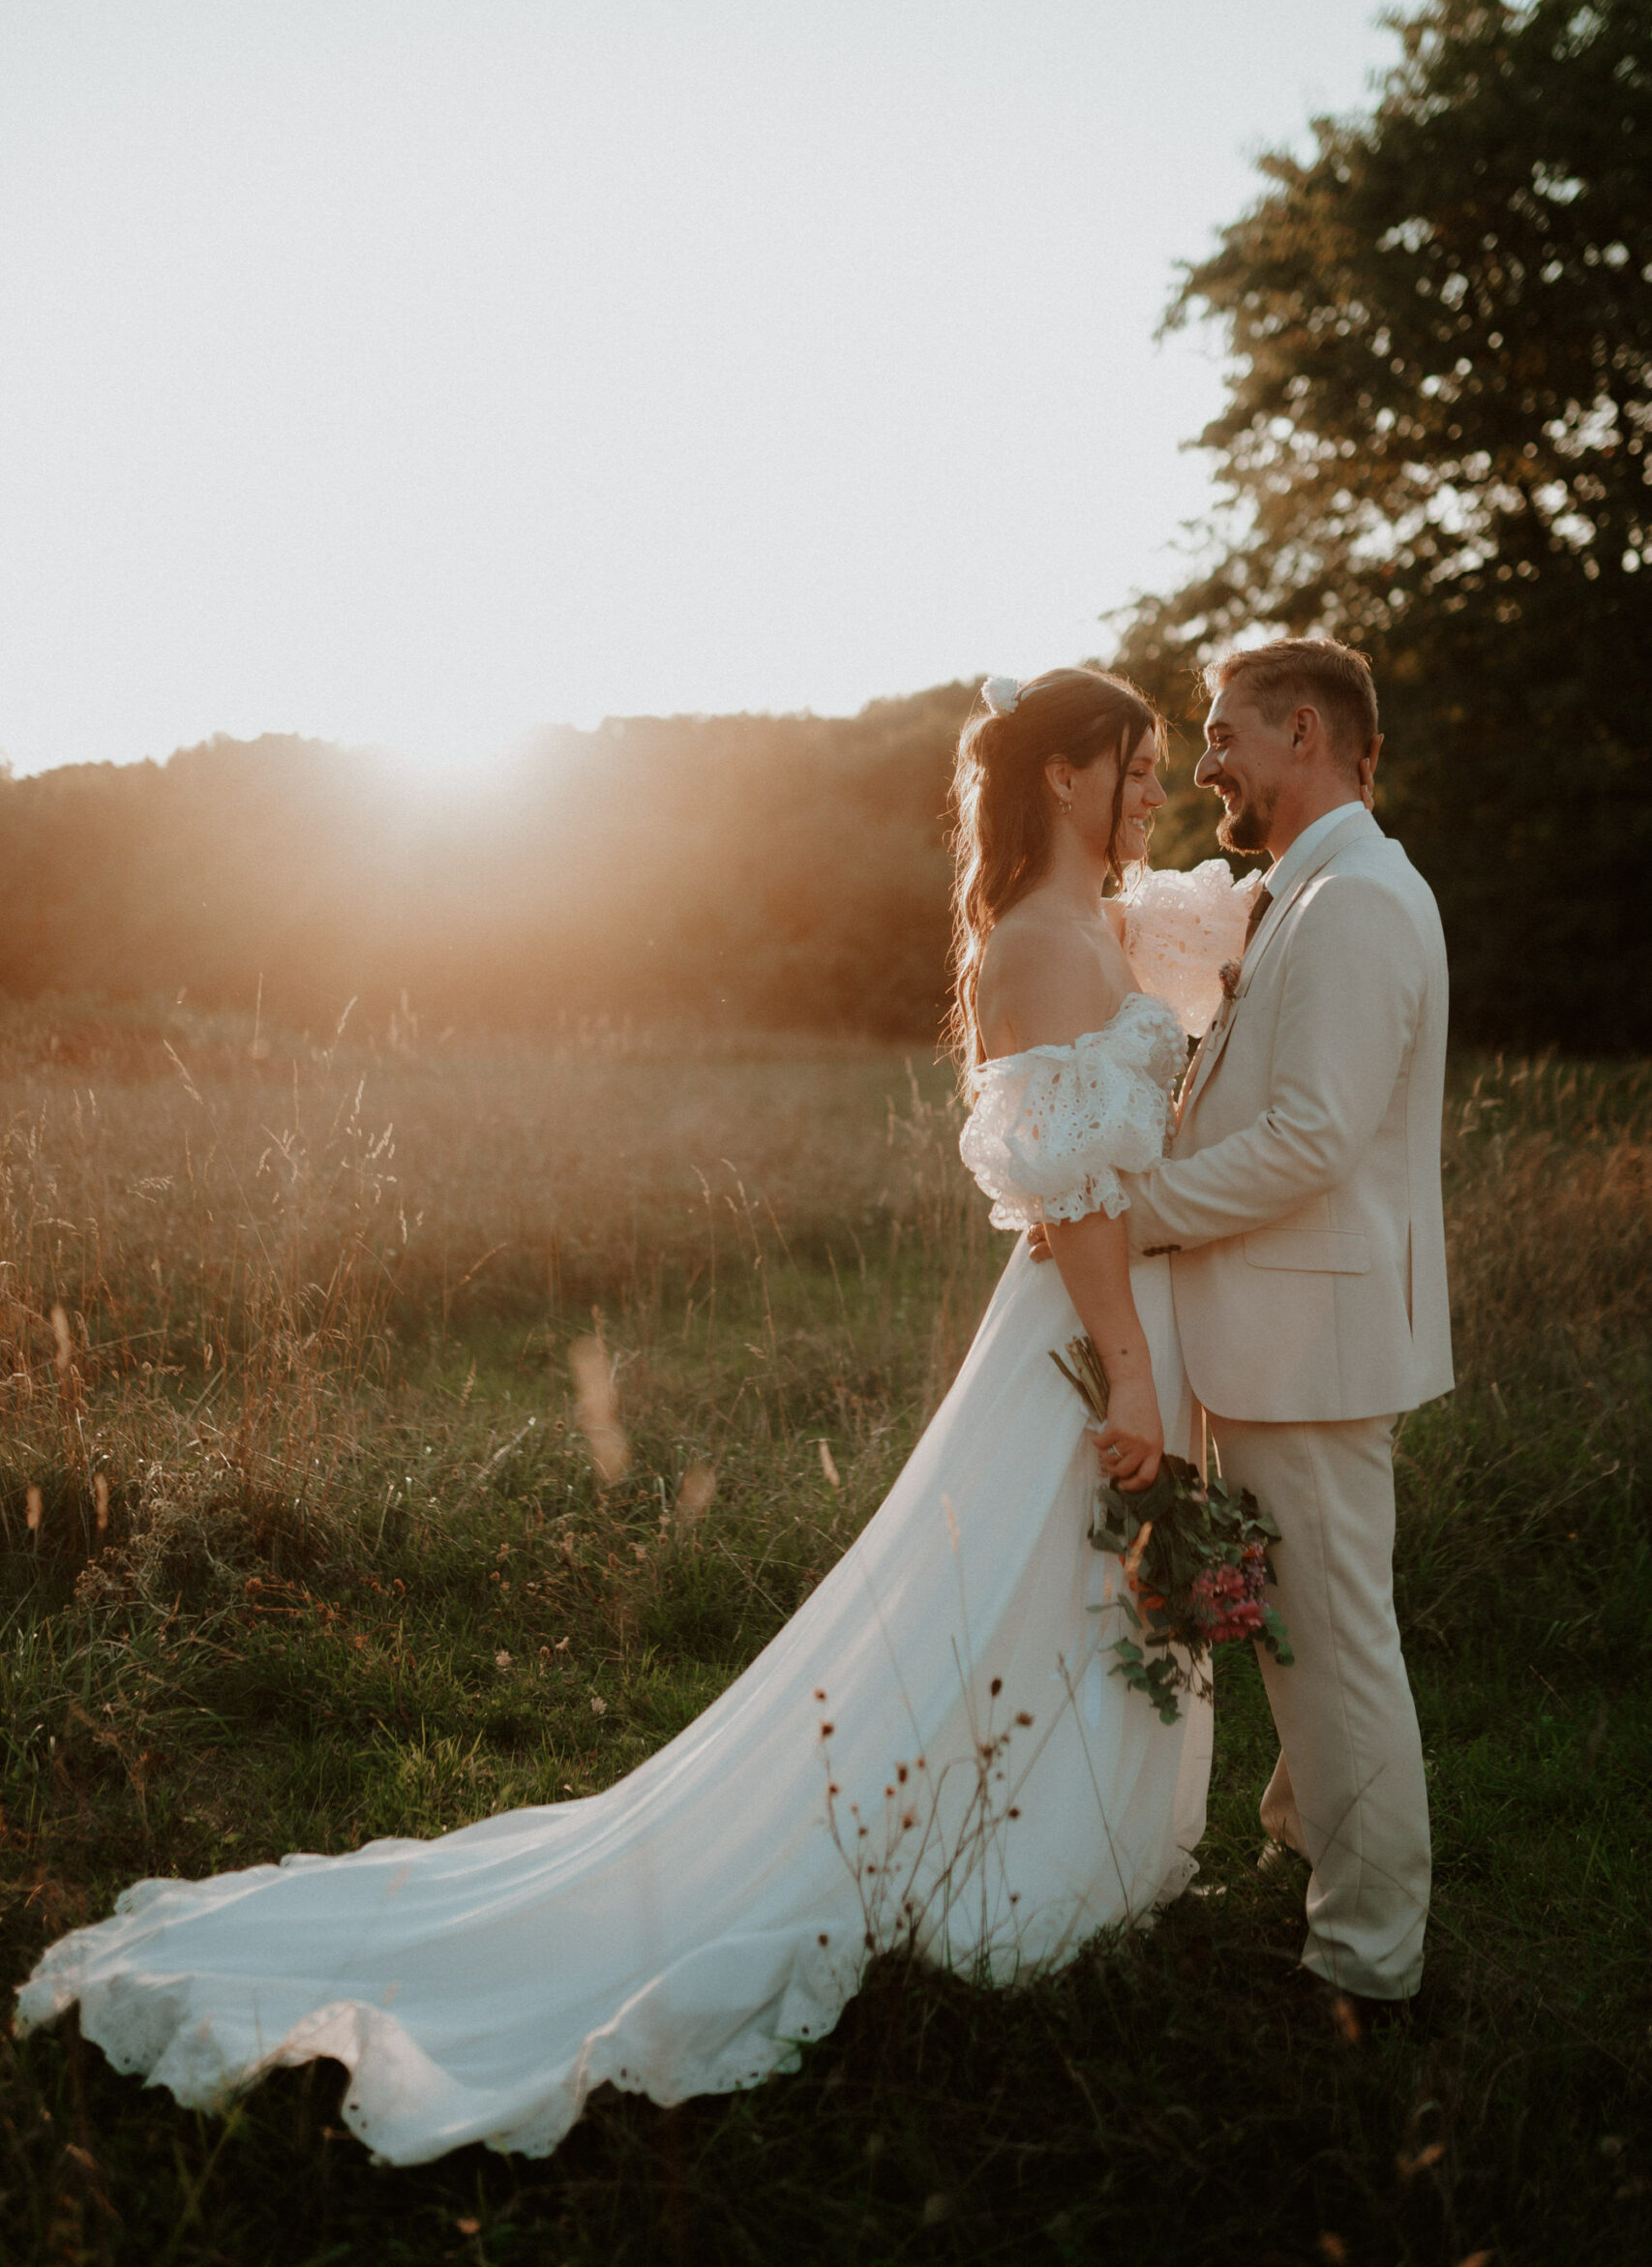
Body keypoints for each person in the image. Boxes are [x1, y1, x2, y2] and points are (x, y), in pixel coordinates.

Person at [16, 668, 1237, 2167]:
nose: (1158, 791)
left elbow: (1231, 934)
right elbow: (1075, 1195)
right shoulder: (1043, 947)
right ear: (1064, 775)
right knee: (1037, 1587)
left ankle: (1074, 1859)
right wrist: (1128, 1366)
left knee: (1071, 1591)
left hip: (1122, 1315)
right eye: (1139, 765)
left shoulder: (1104, 923)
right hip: (1090, 1324)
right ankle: (1008, 1876)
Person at [1040, 638, 1452, 2009]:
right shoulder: (1307, 893)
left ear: (1305, 732)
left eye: (1222, 735)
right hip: (1283, 1331)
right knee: (1302, 1632)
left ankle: (1368, 1959)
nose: (1206, 763)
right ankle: (1305, 1843)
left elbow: (1311, 1137)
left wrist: (1135, 1212)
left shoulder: (1358, 904)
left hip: (1312, 1343)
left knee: (1334, 1645)